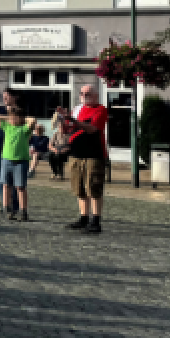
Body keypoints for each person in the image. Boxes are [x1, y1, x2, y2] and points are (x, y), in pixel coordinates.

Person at [64, 85, 108, 232]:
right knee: (79, 188)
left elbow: (92, 128)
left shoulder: (100, 109)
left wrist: (74, 121)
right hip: (76, 153)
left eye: (87, 93)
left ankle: (96, 221)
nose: (84, 96)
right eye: (81, 93)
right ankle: (83, 218)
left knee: (93, 187)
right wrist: (63, 121)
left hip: (93, 154)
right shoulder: (77, 109)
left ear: (95, 95)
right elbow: (68, 129)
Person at [0, 104, 38, 222]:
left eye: (15, 117)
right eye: (11, 117)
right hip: (6, 160)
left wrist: (21, 117)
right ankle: (7, 208)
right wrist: (10, 116)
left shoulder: (24, 129)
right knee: (6, 185)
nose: (13, 119)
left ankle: (23, 211)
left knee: (20, 187)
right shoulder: (7, 126)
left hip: (20, 162)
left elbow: (33, 120)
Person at [47, 109, 71, 180]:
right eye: (60, 127)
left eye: (63, 127)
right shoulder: (56, 134)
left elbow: (70, 146)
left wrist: (62, 150)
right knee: (50, 155)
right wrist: (54, 149)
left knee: (59, 156)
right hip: (56, 148)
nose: (61, 128)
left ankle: (60, 174)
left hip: (65, 150)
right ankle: (54, 172)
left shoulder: (68, 135)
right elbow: (50, 144)